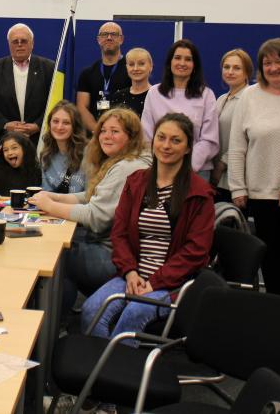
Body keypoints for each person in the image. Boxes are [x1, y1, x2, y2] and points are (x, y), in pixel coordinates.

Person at [82, 112, 215, 340]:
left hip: (170, 285)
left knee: (132, 315)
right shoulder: (136, 182)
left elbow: (196, 252)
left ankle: (124, 371)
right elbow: (120, 234)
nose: (166, 146)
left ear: (187, 148)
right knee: (90, 310)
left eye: (176, 140)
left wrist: (155, 282)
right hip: (132, 275)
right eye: (161, 138)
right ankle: (105, 367)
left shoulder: (200, 194)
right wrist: (130, 272)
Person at [29, 108, 151, 301]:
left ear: (131, 136)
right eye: (103, 130)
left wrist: (50, 206)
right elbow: (92, 196)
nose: (106, 136)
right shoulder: (125, 161)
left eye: (115, 131)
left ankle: (52, 321)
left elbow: (95, 217)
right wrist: (52, 197)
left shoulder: (126, 168)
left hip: (113, 257)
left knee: (52, 252)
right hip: (108, 247)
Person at [227, 38, 280, 298]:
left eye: (279, 61)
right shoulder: (250, 96)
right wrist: (237, 187)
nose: (273, 68)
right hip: (261, 191)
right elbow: (237, 146)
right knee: (269, 252)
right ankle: (274, 302)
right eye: (267, 62)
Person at [141, 39, 219, 179]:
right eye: (177, 58)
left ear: (194, 65)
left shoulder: (206, 95)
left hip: (196, 172)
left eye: (188, 59)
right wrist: (163, 165)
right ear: (170, 62)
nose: (182, 63)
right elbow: (146, 136)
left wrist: (184, 167)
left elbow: (209, 140)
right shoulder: (154, 93)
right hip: (159, 170)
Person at [0, 23, 54, 144]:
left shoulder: (49, 67)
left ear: (32, 43)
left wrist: (38, 125)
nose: (19, 44)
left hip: (40, 140)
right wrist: (5, 125)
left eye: (24, 41)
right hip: (5, 140)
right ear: (9, 44)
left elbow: (54, 102)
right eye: (15, 41)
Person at [210, 49, 252, 201]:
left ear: (247, 72)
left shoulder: (250, 98)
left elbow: (248, 138)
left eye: (237, 68)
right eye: (226, 67)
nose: (230, 72)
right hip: (217, 178)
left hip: (236, 179)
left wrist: (222, 163)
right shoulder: (221, 99)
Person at [76, 22, 131, 133]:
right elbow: (82, 107)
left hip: (124, 134)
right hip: (94, 135)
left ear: (121, 39)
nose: (109, 37)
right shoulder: (87, 73)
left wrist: (116, 132)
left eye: (114, 34)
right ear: (98, 39)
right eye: (105, 34)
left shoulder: (131, 70)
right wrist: (99, 131)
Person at [38, 100, 88, 194]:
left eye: (66, 123)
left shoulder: (89, 153)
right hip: (52, 207)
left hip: (79, 208)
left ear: (75, 127)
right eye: (55, 121)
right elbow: (46, 192)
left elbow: (90, 196)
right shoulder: (46, 154)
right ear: (49, 124)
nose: (59, 127)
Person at [113, 47, 153, 118]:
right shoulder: (118, 96)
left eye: (141, 64)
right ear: (127, 67)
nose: (135, 68)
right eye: (131, 64)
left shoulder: (156, 95)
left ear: (151, 66)